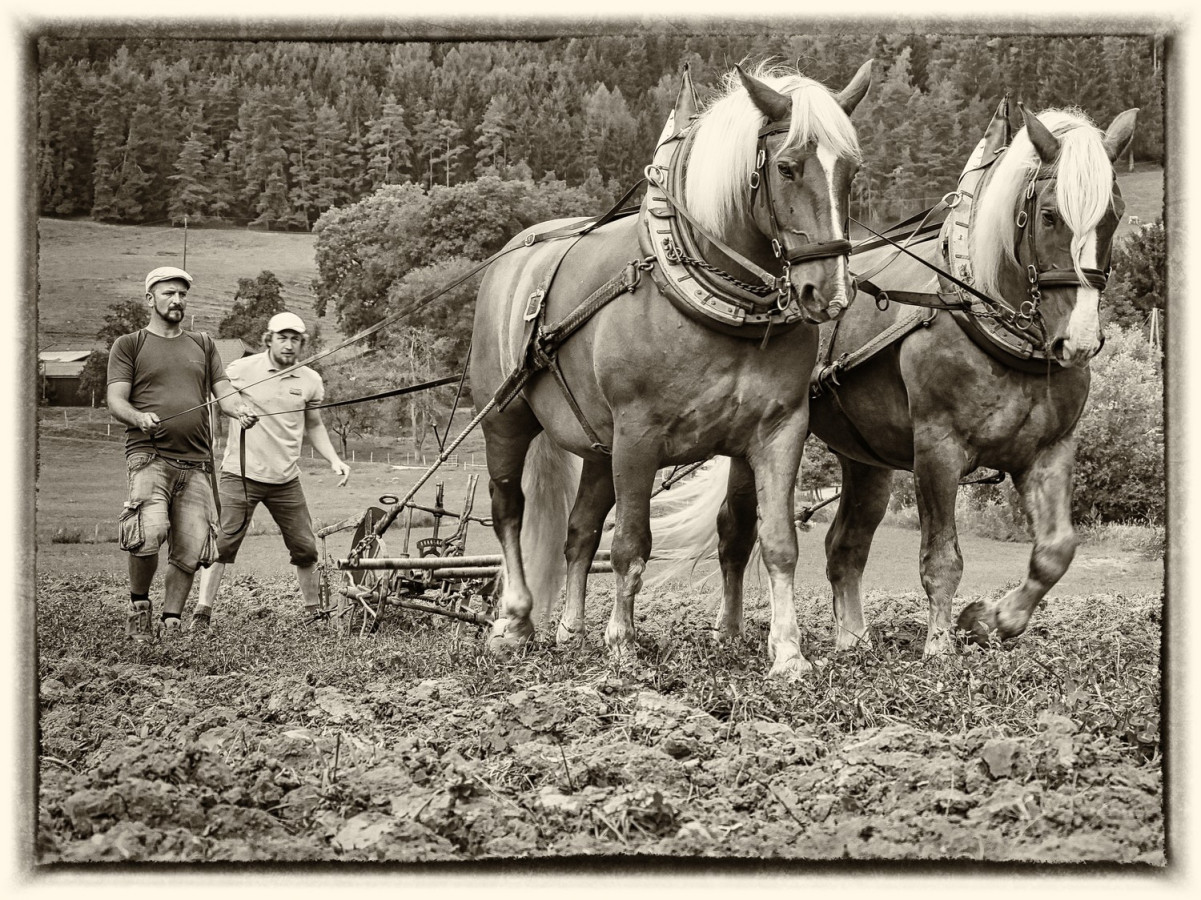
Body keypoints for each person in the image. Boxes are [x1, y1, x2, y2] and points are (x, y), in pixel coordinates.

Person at [108, 267, 259, 641]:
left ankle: (172, 622)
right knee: (149, 532)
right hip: (149, 455)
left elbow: (224, 390)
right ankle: (139, 608)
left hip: (196, 462)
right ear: (150, 299)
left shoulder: (203, 344)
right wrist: (138, 417)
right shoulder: (130, 345)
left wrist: (240, 409)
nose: (177, 300)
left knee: (190, 549)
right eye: (168, 293)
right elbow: (116, 400)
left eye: (182, 294)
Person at [194, 311, 351, 628]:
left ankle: (313, 613)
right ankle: (202, 611)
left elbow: (314, 425)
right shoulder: (242, 369)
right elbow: (220, 400)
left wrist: (334, 460)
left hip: (286, 479)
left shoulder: (310, 380)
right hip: (241, 474)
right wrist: (238, 412)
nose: (288, 344)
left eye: (295, 339)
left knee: (305, 547)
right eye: (282, 337)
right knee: (222, 544)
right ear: (269, 339)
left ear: (302, 343)